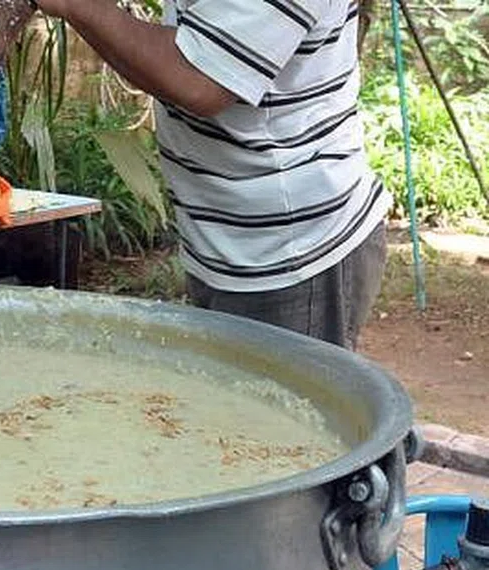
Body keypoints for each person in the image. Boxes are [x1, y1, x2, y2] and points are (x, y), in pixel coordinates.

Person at [32, 0, 391, 350]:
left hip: (291, 250)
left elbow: (200, 79)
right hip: (230, 240)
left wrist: (79, 6)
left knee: (279, 392)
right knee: (236, 388)